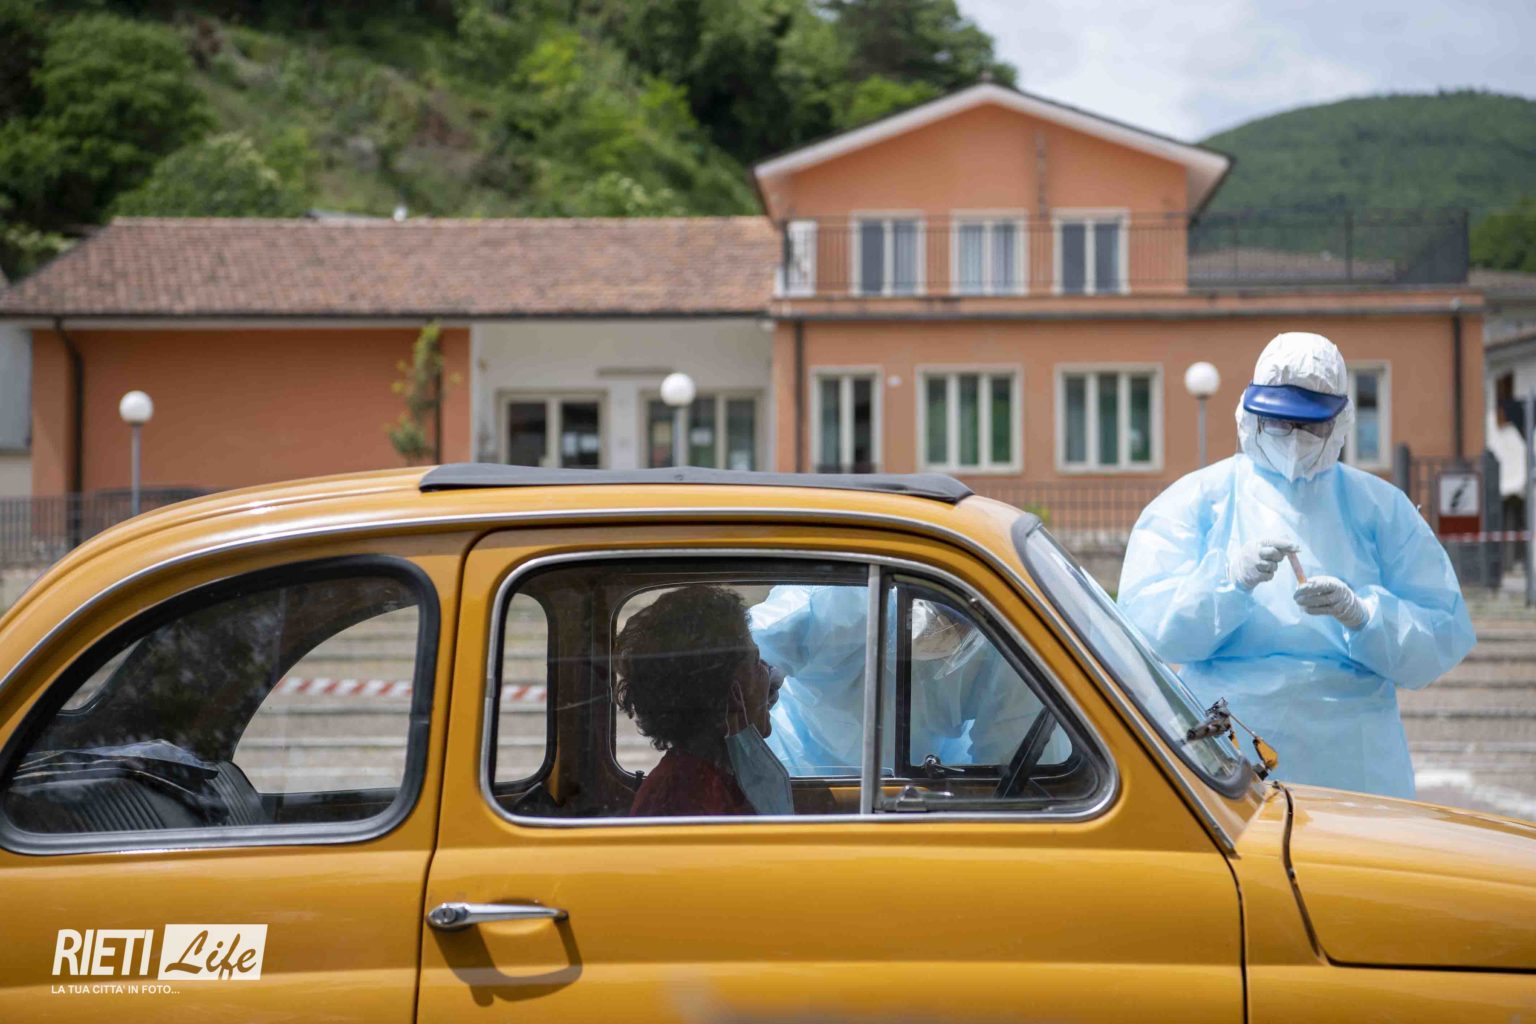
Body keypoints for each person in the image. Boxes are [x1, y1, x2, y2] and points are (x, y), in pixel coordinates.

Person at [1117, 331, 1475, 799]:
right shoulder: (1198, 501)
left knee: (1355, 851)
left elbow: (1439, 637)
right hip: (1230, 747)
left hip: (1351, 758)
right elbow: (1150, 631)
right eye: (1278, 423)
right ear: (1250, 415)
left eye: (1310, 427)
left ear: (1341, 422)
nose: (1293, 440)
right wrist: (1226, 583)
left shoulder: (1381, 508)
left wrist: (1365, 616)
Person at [749, 585, 1063, 777]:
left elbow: (1015, 751)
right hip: (804, 767)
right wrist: (766, 677)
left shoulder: (999, 640)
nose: (942, 632)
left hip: (917, 781)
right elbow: (761, 642)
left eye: (958, 624)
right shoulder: (849, 599)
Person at [615, 584, 792, 817]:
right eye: (755, 662)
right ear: (732, 696)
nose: (768, 672)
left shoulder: (713, 776)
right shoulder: (686, 795)